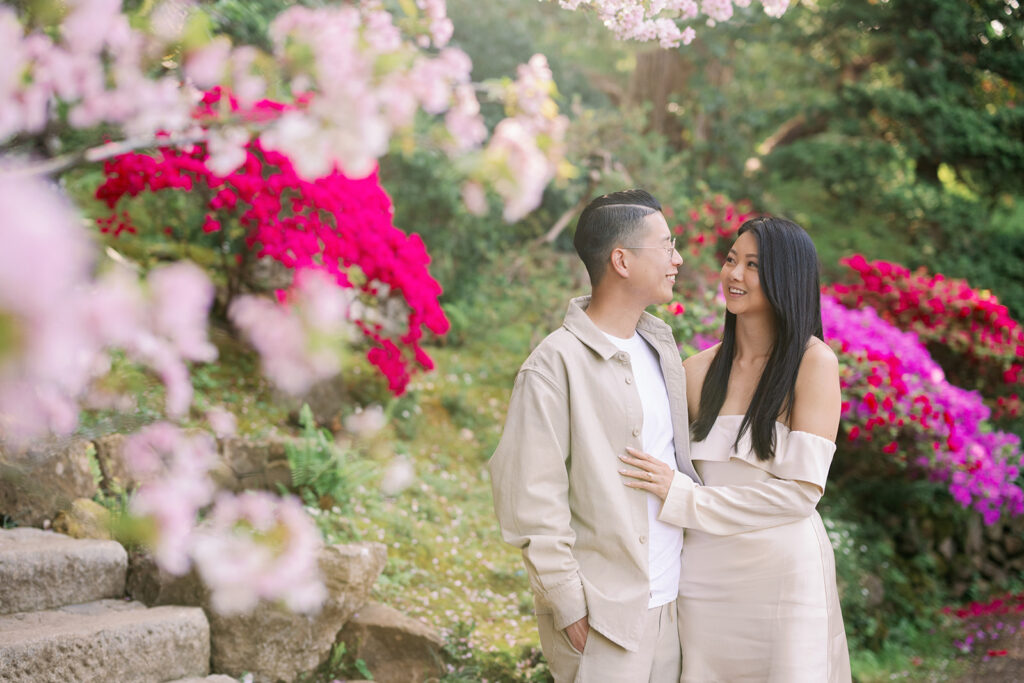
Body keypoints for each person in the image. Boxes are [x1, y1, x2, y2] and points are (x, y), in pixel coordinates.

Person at [618, 216, 852, 682]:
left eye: (753, 265)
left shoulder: (813, 363)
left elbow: (800, 494)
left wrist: (683, 498)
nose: (734, 275)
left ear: (787, 277)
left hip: (784, 581)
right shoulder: (695, 371)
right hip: (703, 578)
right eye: (730, 260)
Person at [488, 189, 699, 682]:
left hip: (672, 605)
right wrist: (567, 604)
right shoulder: (553, 365)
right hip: (603, 616)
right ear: (621, 260)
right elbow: (528, 497)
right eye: (666, 246)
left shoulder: (661, 347)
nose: (678, 258)